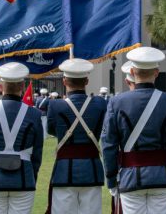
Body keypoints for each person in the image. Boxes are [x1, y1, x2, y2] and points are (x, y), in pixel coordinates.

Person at [101, 46, 166, 214]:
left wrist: (111, 179)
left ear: (132, 71)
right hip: (163, 177)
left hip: (129, 177)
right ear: (156, 72)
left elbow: (108, 144)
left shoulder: (116, 102)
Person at [0, 62, 44, 214]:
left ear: (0, 87)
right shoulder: (34, 114)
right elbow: (37, 153)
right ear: (22, 87)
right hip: (24, 177)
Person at [46, 58, 108, 214]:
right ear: (86, 81)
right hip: (91, 169)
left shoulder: (55, 105)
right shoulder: (100, 103)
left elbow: (52, 130)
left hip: (64, 170)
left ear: (64, 81)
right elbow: (100, 129)